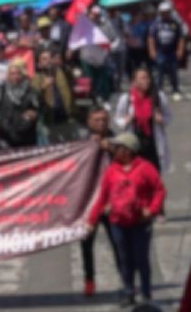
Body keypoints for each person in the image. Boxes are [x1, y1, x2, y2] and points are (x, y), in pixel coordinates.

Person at [88, 133, 165, 307]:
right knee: (124, 259)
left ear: (128, 150)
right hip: (118, 223)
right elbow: (102, 197)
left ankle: (146, 293)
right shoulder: (111, 170)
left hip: (140, 223)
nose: (114, 150)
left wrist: (152, 210)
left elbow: (159, 190)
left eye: (117, 147)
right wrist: (92, 221)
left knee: (141, 259)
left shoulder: (146, 168)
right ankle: (128, 292)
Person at [78, 106, 122, 297]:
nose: (101, 123)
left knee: (119, 244)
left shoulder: (116, 140)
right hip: (90, 203)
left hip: (112, 203)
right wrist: (90, 144)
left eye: (104, 120)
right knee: (87, 246)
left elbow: (128, 161)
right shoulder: (82, 141)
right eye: (96, 120)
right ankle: (89, 280)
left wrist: (111, 148)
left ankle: (126, 281)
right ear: (89, 122)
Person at [114, 68, 171, 173]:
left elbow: (168, 117)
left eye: (148, 78)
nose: (146, 81)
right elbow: (118, 118)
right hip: (134, 145)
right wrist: (125, 121)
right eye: (142, 78)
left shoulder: (158, 97)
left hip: (153, 145)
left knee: (154, 176)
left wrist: (161, 120)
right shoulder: (126, 99)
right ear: (134, 82)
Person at [0, 60, 41, 148]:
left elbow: (38, 110)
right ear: (8, 75)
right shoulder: (0, 91)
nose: (15, 76)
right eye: (12, 74)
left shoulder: (31, 91)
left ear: (22, 74)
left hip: (27, 137)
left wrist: (34, 115)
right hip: (5, 138)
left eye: (18, 73)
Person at [32, 48, 77, 144]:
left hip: (65, 115)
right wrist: (43, 87)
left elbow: (72, 78)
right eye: (44, 59)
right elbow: (33, 97)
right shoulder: (37, 77)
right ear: (39, 62)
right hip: (49, 118)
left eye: (49, 58)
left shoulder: (61, 71)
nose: (48, 61)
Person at [148, 1, 184, 100]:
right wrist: (152, 50)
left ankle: (175, 90)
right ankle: (159, 91)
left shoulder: (175, 23)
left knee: (173, 72)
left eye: (167, 12)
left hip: (172, 52)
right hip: (160, 52)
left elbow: (180, 38)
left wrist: (180, 50)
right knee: (159, 72)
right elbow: (151, 38)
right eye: (163, 12)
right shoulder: (156, 24)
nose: (165, 14)